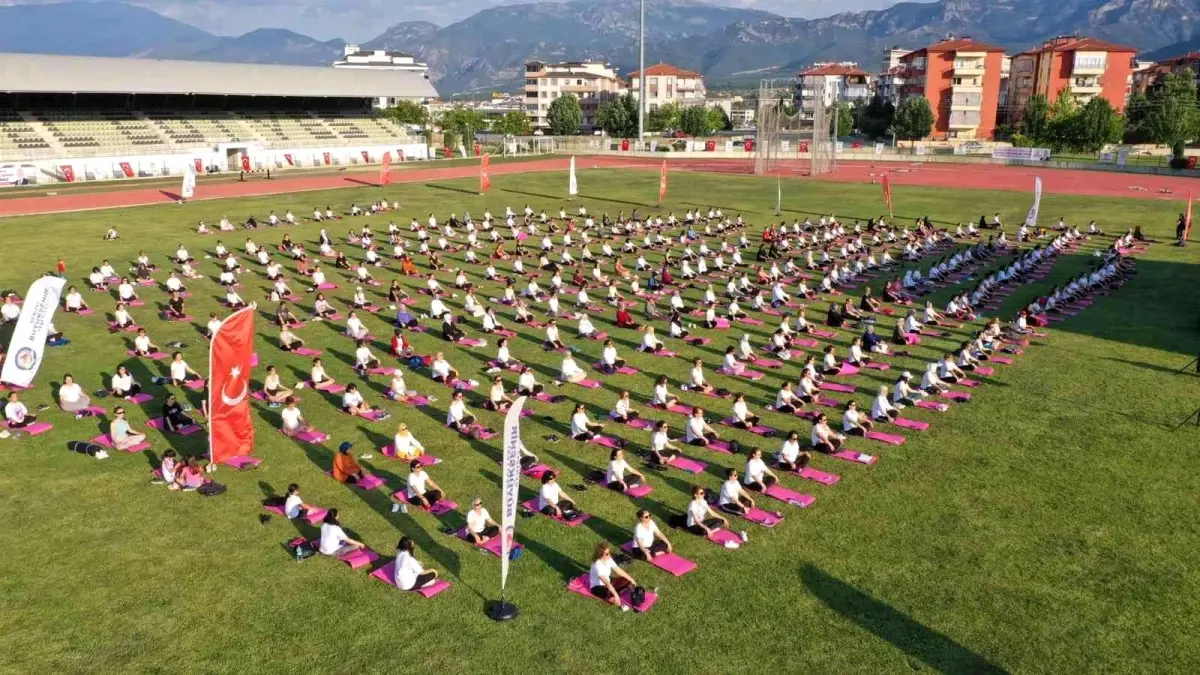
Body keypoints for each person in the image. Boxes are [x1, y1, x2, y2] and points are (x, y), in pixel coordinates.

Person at [588, 542, 638, 607]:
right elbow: (606, 583)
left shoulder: (608, 559)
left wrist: (631, 579)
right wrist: (616, 595)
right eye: (607, 554)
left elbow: (618, 570)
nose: (609, 555)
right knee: (608, 592)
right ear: (600, 555)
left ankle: (616, 593)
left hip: (609, 582)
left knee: (626, 580)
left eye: (609, 552)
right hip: (597, 587)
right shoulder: (597, 565)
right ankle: (614, 596)